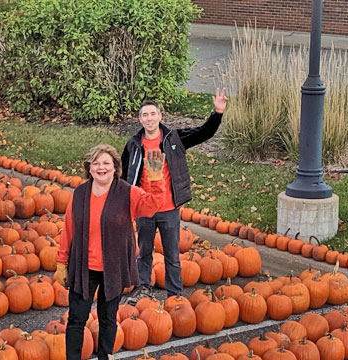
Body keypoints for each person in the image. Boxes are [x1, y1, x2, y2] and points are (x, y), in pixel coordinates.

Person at [57, 144, 170, 360]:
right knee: (76, 319)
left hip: (113, 267)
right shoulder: (80, 194)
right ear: (88, 168)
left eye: (106, 163)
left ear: (115, 167)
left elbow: (153, 204)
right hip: (83, 267)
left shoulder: (128, 193)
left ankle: (105, 357)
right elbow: (69, 229)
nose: (101, 168)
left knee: (107, 318)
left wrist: (155, 178)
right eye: (96, 163)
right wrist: (61, 262)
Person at [119, 89, 227, 299]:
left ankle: (174, 293)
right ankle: (144, 288)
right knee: (144, 252)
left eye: (153, 114)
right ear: (140, 119)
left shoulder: (173, 138)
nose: (149, 118)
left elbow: (203, 133)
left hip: (169, 208)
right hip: (145, 208)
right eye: (145, 115)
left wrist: (218, 112)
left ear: (160, 116)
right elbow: (123, 172)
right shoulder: (133, 144)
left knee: (171, 255)